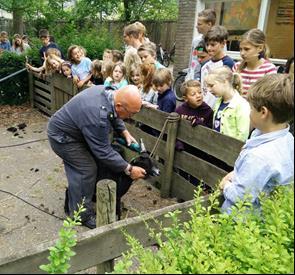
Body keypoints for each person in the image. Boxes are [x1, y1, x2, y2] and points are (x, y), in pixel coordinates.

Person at [47, 85, 147, 229]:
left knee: (93, 164)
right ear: (120, 105)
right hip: (63, 138)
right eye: (131, 114)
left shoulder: (110, 94)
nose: (131, 117)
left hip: (77, 131)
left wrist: (123, 131)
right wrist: (129, 169)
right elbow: (103, 151)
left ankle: (82, 196)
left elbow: (114, 114)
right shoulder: (97, 116)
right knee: (86, 169)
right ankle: (81, 216)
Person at [219, 74, 294, 214]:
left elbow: (241, 197)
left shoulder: (259, 156)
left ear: (263, 112)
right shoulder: (287, 138)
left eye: (252, 108)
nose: (249, 112)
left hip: (240, 222)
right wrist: (236, 174)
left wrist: (226, 185)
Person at [205, 66, 250, 142]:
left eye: (211, 85)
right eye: (207, 86)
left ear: (225, 82)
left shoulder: (241, 105)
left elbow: (242, 134)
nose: (209, 90)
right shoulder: (218, 102)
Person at [233, 28, 277, 96]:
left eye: (247, 49)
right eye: (240, 49)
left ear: (260, 48)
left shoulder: (269, 69)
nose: (242, 53)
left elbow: (269, 96)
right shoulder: (237, 66)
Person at [201, 25, 235, 109]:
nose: (209, 48)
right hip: (205, 109)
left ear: (223, 43)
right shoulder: (205, 65)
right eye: (207, 44)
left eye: (213, 45)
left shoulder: (228, 64)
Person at [175, 79, 213, 151]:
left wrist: (201, 124)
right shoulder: (180, 110)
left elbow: (211, 132)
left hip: (200, 149)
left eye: (200, 92)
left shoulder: (208, 111)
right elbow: (176, 129)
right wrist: (178, 142)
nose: (198, 96)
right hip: (184, 148)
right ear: (185, 98)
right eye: (193, 94)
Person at [186, 9, 216, 81]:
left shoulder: (217, 43)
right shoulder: (196, 41)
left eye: (199, 24)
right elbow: (192, 61)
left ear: (209, 24)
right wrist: (188, 77)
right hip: (192, 81)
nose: (196, 26)